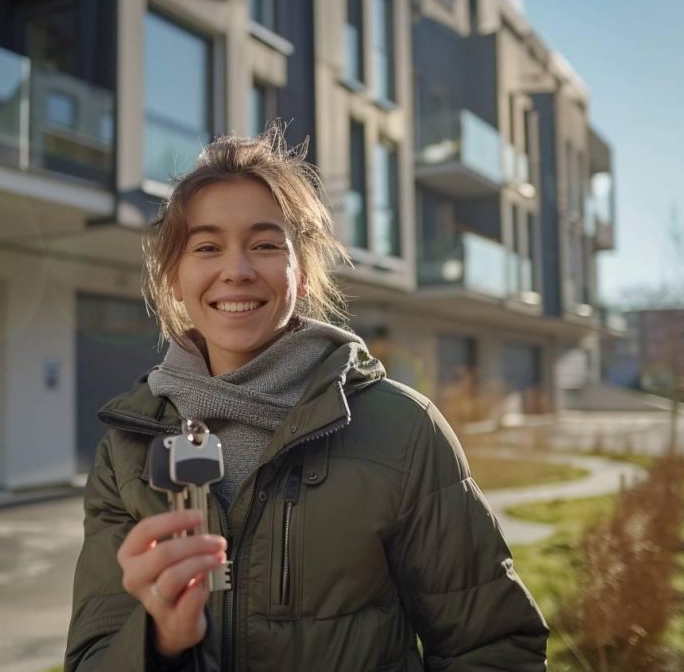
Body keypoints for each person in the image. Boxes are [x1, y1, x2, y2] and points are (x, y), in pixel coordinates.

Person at [64, 124, 548, 671]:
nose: (237, 271)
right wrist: (160, 642)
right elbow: (91, 659)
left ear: (302, 269)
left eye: (266, 245)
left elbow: (495, 650)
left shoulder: (403, 430)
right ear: (174, 277)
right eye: (206, 246)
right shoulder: (127, 451)